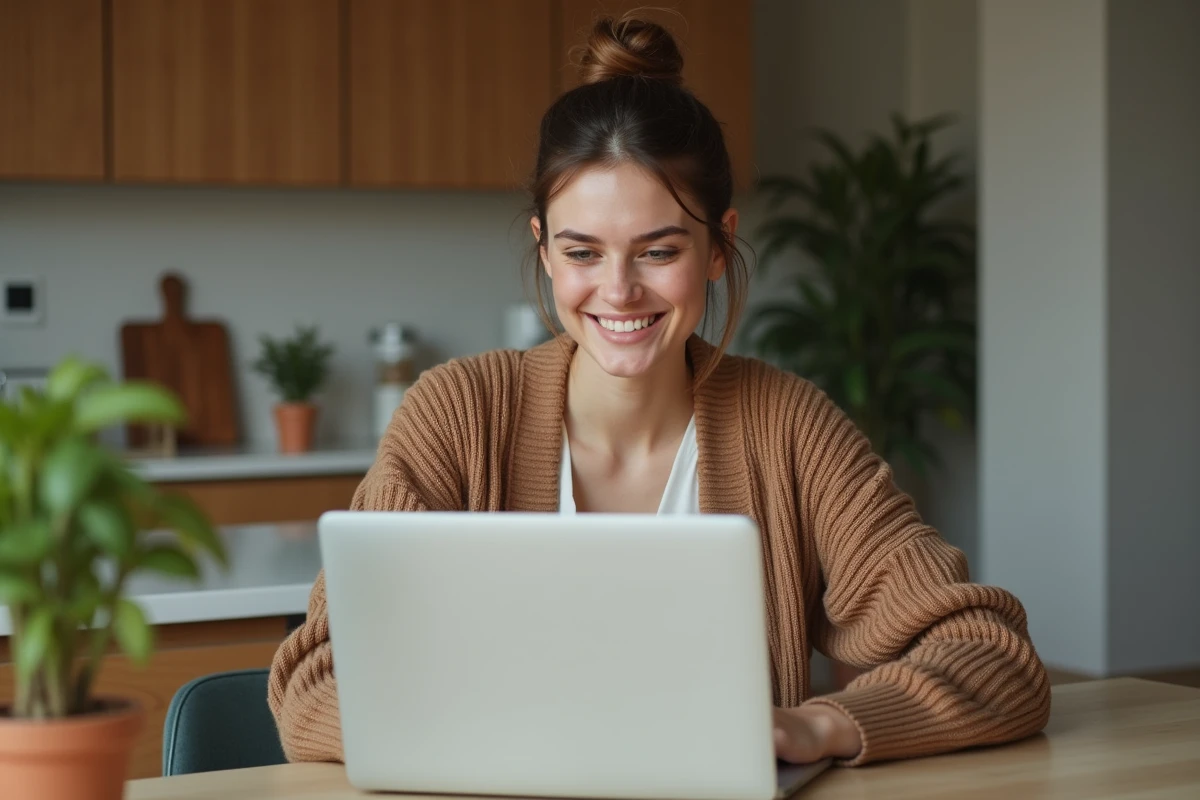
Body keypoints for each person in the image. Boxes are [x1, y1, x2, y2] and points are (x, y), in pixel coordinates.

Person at [268, 14, 1050, 768]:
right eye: (583, 251)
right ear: (543, 249)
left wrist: (824, 723)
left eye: (659, 250)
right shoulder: (459, 414)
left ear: (719, 246)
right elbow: (316, 683)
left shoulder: (789, 428)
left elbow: (992, 659)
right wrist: (540, 741)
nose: (618, 291)